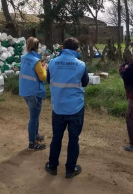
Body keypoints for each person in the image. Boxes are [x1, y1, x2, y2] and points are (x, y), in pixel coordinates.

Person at [45, 37, 89, 178]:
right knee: (73, 139)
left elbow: (48, 80)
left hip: (58, 107)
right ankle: (70, 169)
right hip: (75, 107)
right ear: (76, 49)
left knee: (56, 138)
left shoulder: (52, 62)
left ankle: (52, 166)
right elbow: (85, 83)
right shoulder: (81, 64)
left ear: (63, 47)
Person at [19, 37, 48, 150]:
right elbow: (42, 77)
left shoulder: (24, 57)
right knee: (34, 117)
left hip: (25, 91)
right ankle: (32, 143)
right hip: (34, 92)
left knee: (35, 116)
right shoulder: (36, 61)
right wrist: (44, 67)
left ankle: (36, 136)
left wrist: (40, 66)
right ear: (36, 47)